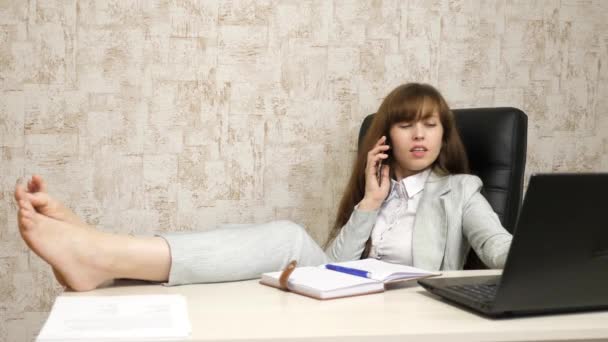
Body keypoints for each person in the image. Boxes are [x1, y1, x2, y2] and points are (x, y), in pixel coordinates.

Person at [13, 83, 512, 292]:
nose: (420, 135)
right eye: (407, 125)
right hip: (354, 292)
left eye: (430, 125)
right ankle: (108, 266)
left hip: (411, 303)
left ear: (445, 134)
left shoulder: (461, 190)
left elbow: (497, 248)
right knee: (261, 256)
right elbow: (337, 262)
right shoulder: (374, 191)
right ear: (387, 136)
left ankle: (103, 254)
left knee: (289, 240)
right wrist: (369, 203)